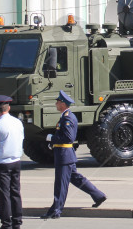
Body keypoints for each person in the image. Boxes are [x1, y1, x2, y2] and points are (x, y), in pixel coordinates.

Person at [41, 91, 107, 219]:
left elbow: (68, 138)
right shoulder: (65, 116)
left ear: (63, 104)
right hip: (64, 154)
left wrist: (52, 138)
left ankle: (56, 211)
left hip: (64, 156)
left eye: (58, 102)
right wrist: (53, 143)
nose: (56, 104)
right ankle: (98, 195)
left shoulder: (68, 118)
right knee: (76, 179)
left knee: (61, 184)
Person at [0, 95, 24, 229]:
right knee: (15, 192)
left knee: (3, 194)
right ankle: (17, 223)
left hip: (2, 163)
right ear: (8, 108)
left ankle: (6, 224)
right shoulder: (18, 122)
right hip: (16, 161)